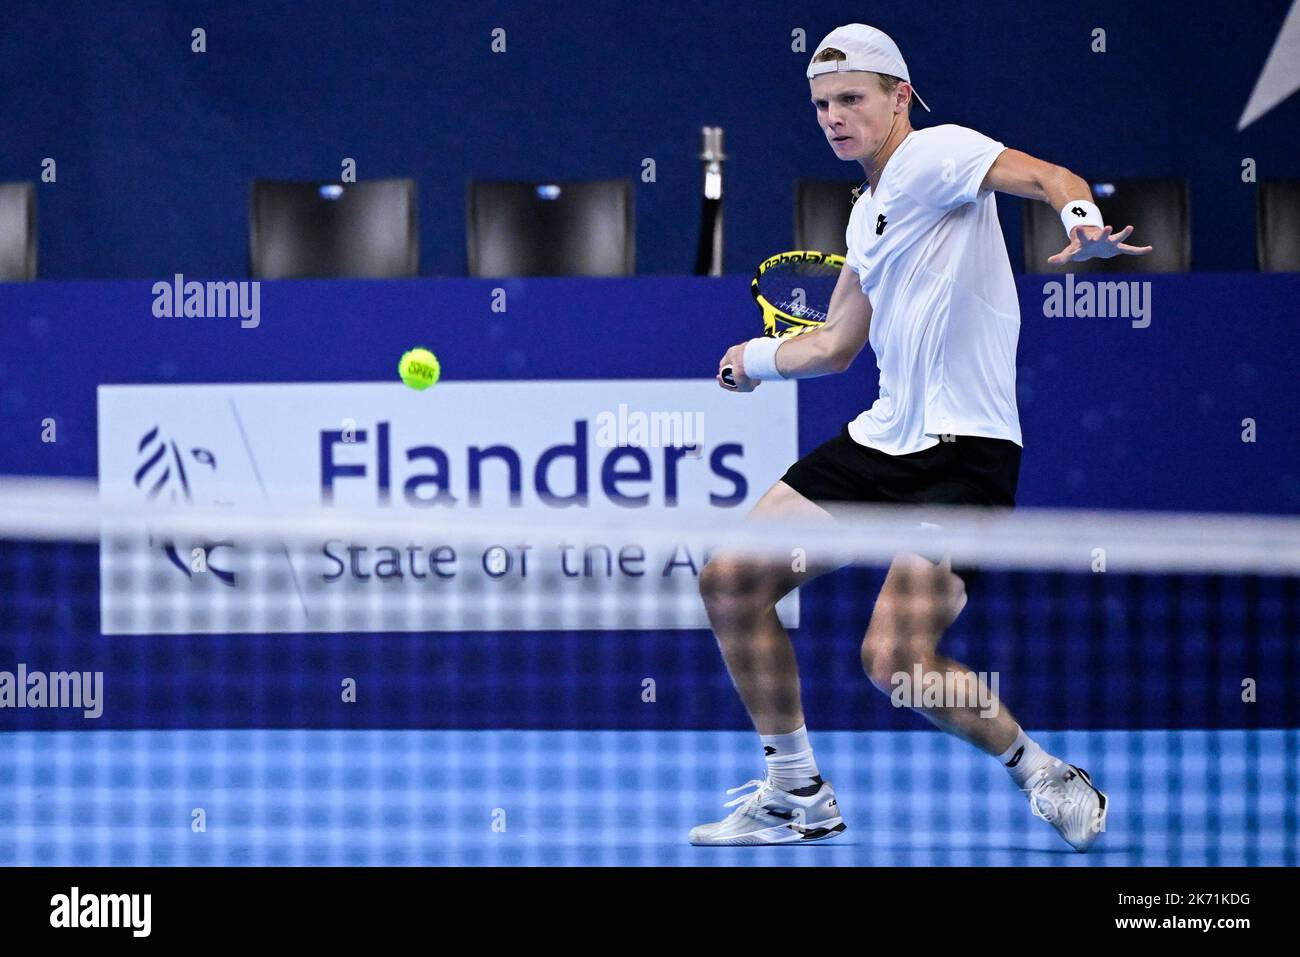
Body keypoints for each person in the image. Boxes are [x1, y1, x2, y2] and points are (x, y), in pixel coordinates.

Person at [693, 23, 1151, 849]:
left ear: (899, 97)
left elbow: (1051, 176)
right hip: (879, 442)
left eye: (852, 99)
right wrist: (754, 360)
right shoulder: (865, 215)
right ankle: (797, 790)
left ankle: (1040, 769)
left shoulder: (939, 154)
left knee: (896, 659)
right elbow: (835, 346)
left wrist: (1081, 222)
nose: (835, 116)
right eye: (824, 104)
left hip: (965, 450)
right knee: (730, 581)